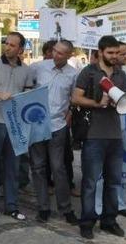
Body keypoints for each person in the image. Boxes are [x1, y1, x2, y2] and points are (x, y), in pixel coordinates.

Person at [71, 35, 126, 239]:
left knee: (113, 181)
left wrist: (115, 103)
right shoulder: (89, 72)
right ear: (101, 52)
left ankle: (109, 220)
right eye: (110, 53)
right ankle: (87, 221)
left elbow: (125, 100)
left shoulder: (121, 74)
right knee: (90, 181)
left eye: (117, 53)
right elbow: (76, 97)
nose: (114, 56)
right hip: (93, 135)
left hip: (115, 135)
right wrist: (97, 103)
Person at [0, 32, 34, 221]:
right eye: (6, 43)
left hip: (15, 125)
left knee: (13, 166)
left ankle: (12, 206)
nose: (7, 47)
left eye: (12, 45)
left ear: (20, 49)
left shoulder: (27, 70)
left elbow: (28, 99)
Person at [30, 40, 79, 225]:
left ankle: (66, 208)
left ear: (69, 55)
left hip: (58, 126)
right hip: (36, 125)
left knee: (59, 168)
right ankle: (43, 208)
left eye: (60, 53)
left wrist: (69, 115)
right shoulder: (38, 68)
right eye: (54, 51)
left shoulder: (73, 74)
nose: (55, 55)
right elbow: (26, 88)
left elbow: (74, 99)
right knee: (38, 167)